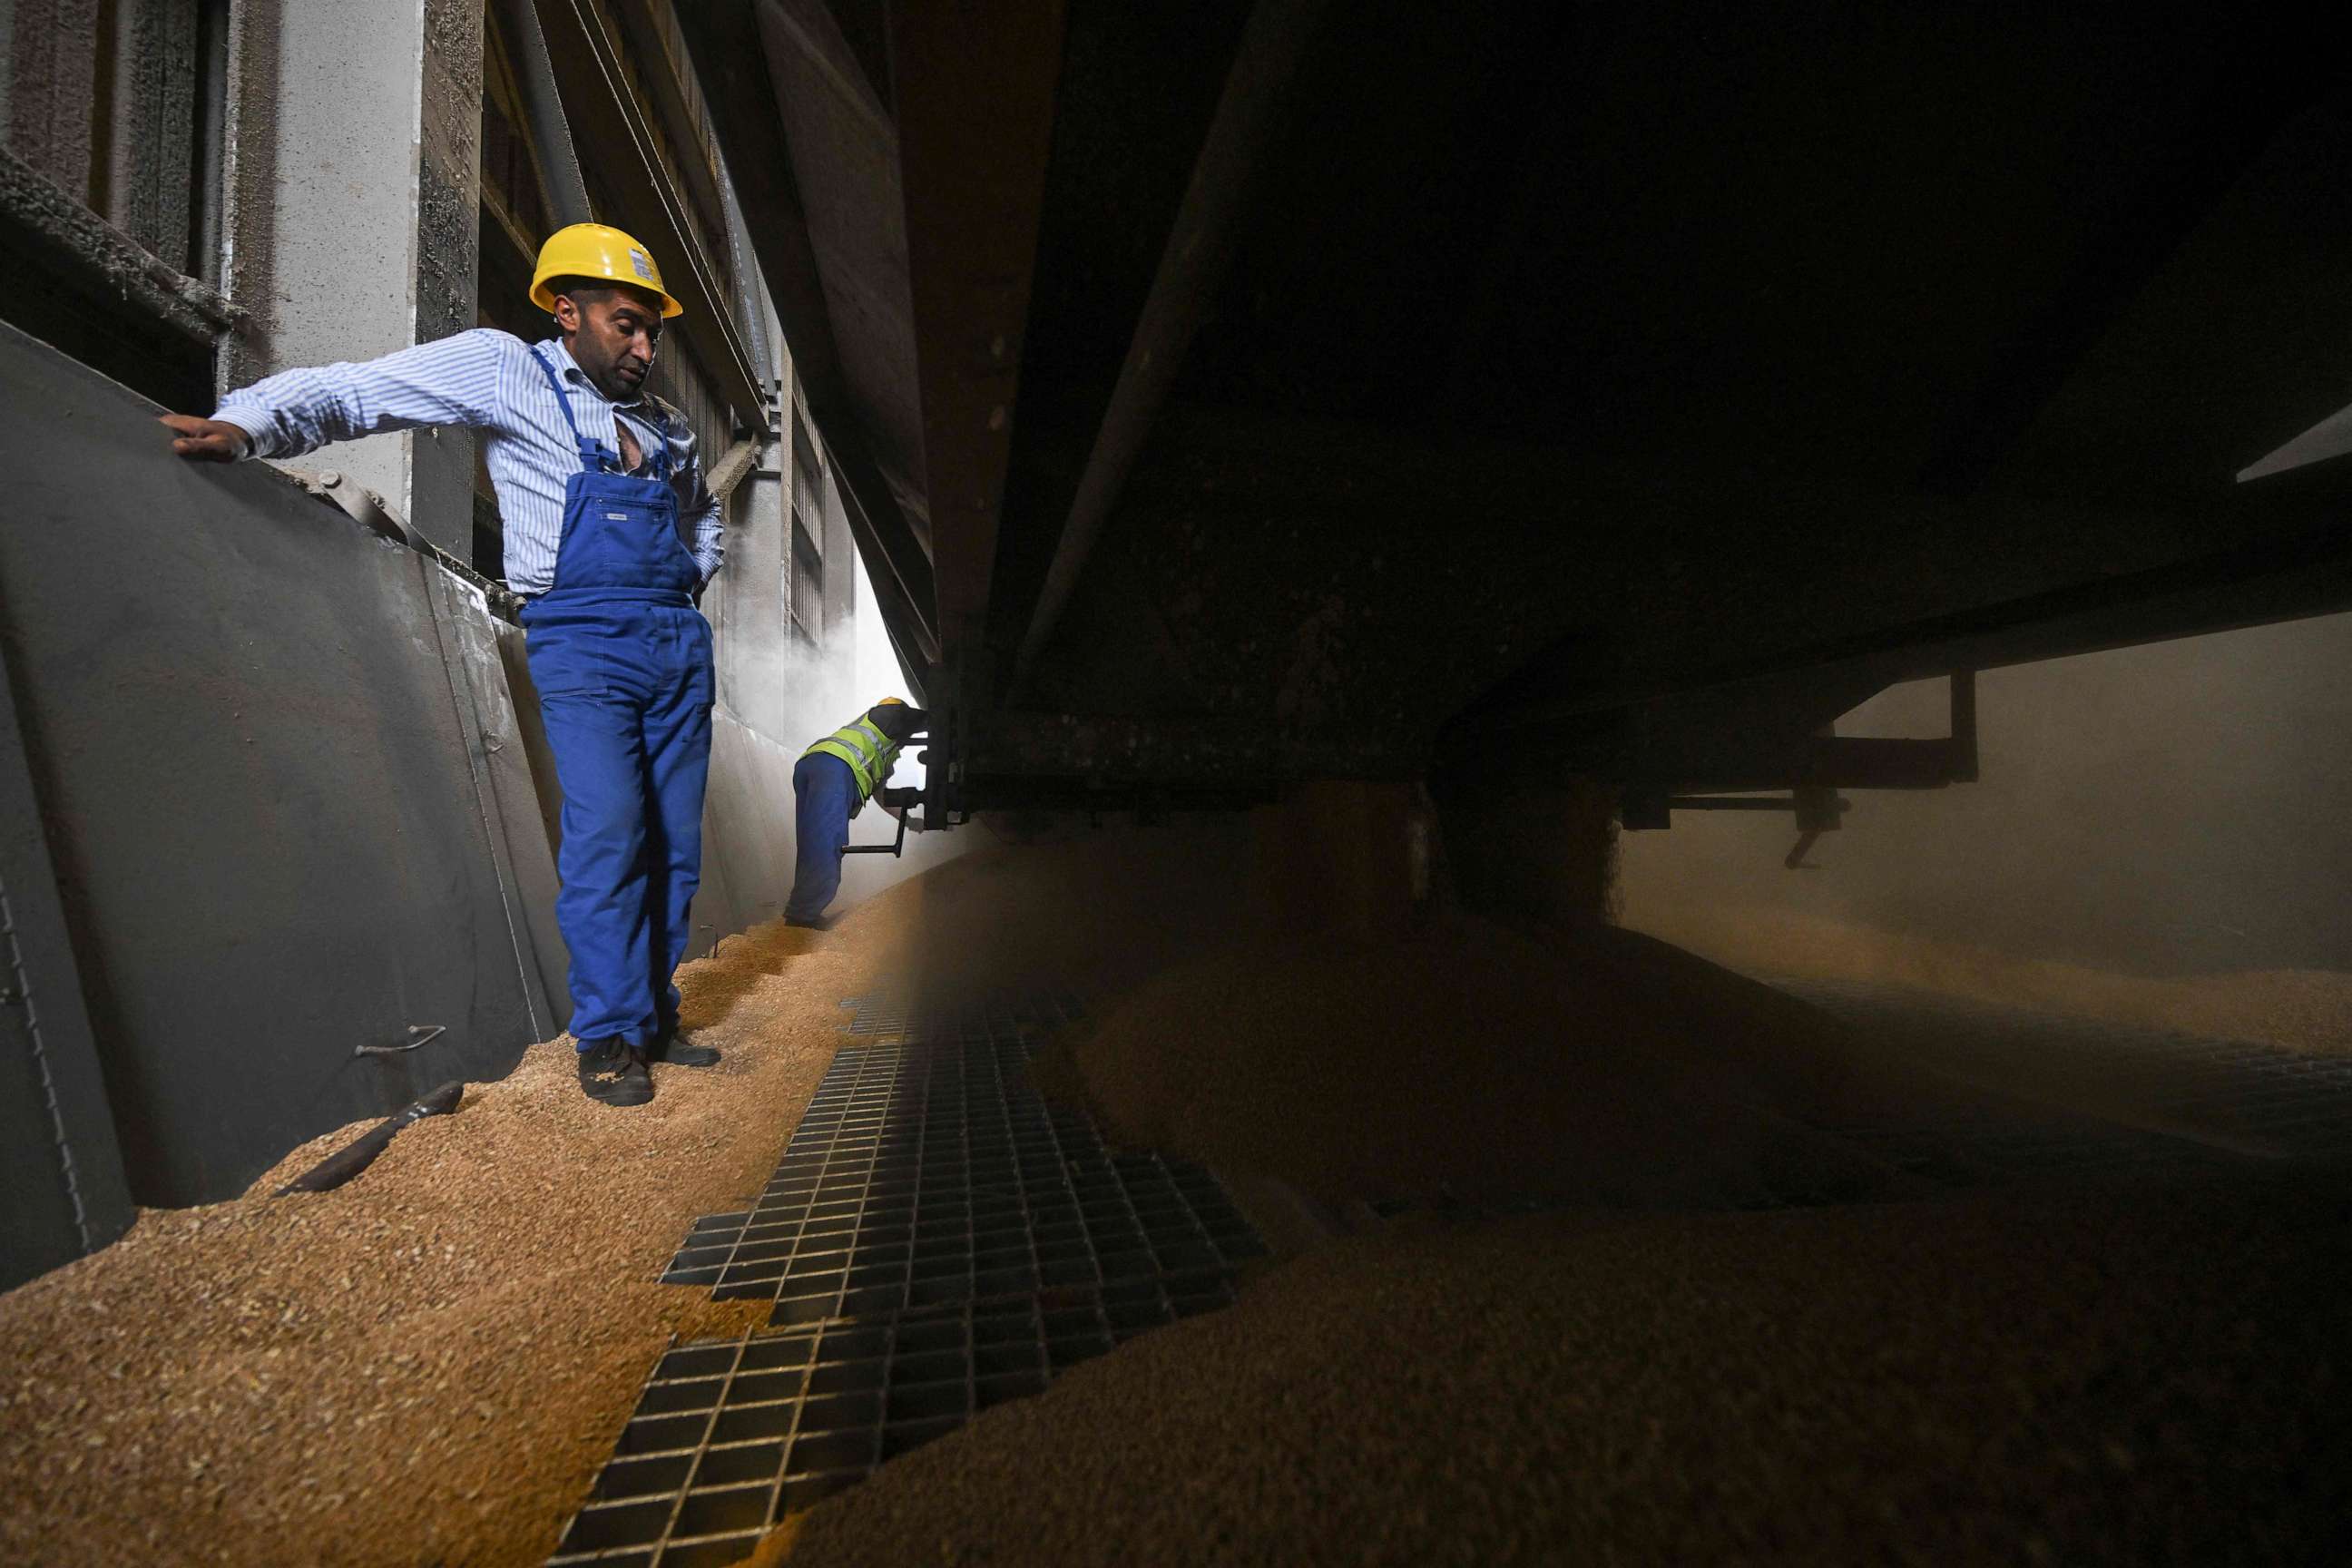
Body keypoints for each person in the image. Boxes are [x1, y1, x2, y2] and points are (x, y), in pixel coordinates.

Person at [162, 224, 727, 1108]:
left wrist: (693, 575)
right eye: (627, 325)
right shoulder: (510, 370)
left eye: (652, 332)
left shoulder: (666, 428)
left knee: (675, 848)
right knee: (611, 830)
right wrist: (248, 422)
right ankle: (608, 1035)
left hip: (675, 644)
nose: (645, 348)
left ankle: (655, 1014)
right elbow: (363, 391)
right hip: (581, 637)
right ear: (567, 310)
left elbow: (703, 520)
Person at [786, 698, 928, 927]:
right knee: (827, 843)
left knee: (811, 843)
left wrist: (911, 822)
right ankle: (802, 918)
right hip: (836, 768)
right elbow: (906, 713)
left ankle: (800, 911)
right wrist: (941, 718)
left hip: (810, 765)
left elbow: (883, 798)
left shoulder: (884, 756)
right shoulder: (887, 715)